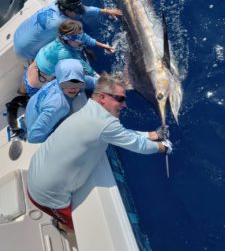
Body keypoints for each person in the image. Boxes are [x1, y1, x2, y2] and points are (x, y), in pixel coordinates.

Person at [27, 72, 172, 233]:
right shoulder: (105, 124)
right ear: (102, 97)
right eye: (120, 99)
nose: (124, 105)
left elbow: (119, 133)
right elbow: (139, 146)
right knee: (78, 228)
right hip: (45, 195)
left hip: (37, 169)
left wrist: (152, 135)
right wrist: (163, 148)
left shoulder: (91, 109)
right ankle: (61, 226)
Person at [14, 0, 122, 60]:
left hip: (18, 33)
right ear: (67, 10)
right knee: (71, 50)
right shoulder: (61, 23)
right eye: (77, 11)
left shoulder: (58, 3)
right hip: (25, 51)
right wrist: (105, 46)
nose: (80, 12)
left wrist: (107, 11)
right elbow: (82, 37)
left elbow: (85, 9)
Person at [24, 20, 112, 96]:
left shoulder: (61, 39)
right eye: (78, 39)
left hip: (27, 74)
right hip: (35, 89)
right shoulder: (65, 53)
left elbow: (84, 37)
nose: (81, 40)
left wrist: (104, 46)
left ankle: (21, 93)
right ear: (68, 39)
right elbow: (87, 69)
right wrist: (106, 83)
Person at [26, 59, 95, 143]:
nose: (73, 88)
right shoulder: (59, 106)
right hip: (34, 128)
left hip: (31, 109)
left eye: (77, 82)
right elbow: (33, 137)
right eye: (67, 83)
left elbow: (91, 81)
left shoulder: (58, 80)